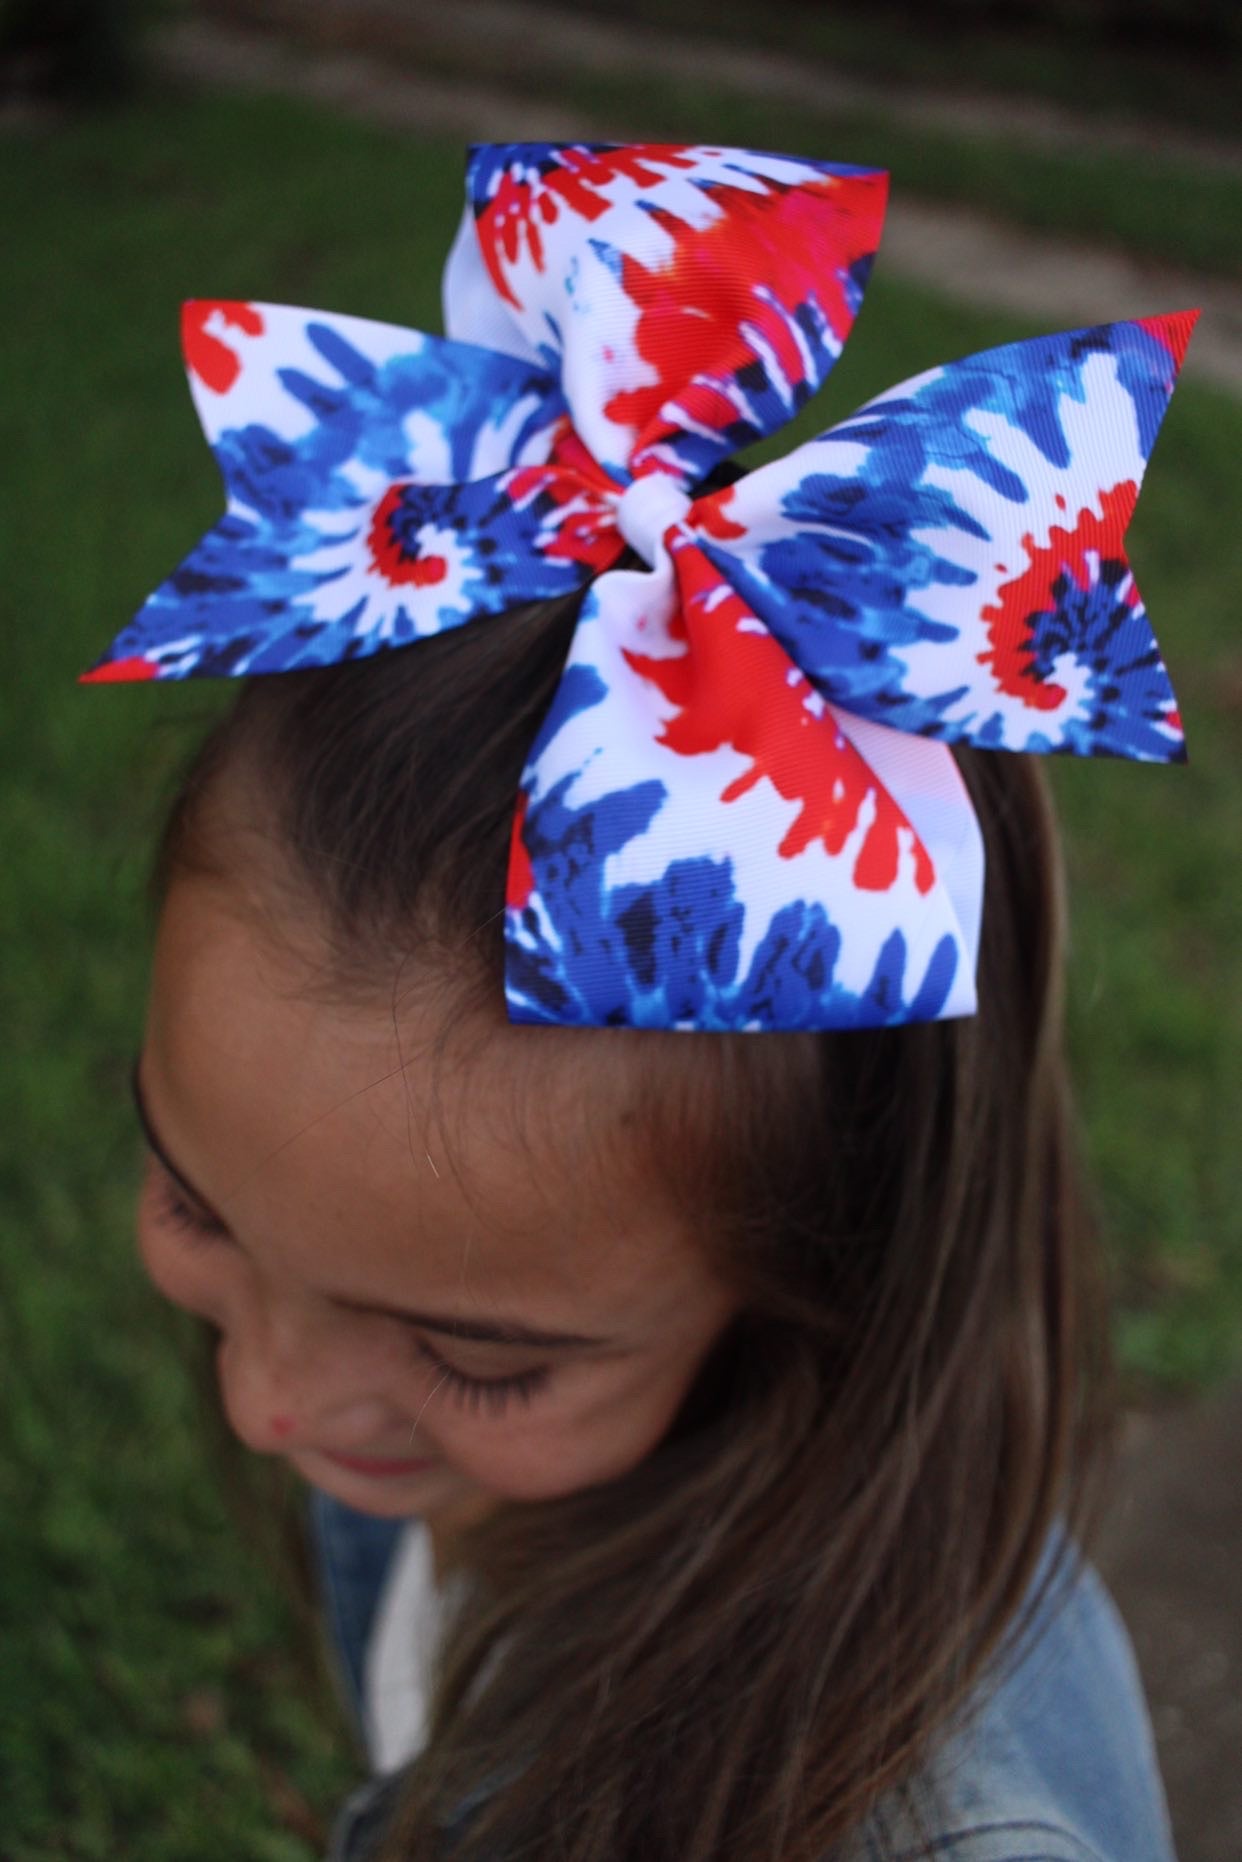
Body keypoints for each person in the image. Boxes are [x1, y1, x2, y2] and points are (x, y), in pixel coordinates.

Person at [85, 143, 1191, 1861]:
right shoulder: (437, 1412)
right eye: (189, 1194)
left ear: (834, 1258)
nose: (269, 1400)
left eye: (473, 1357)